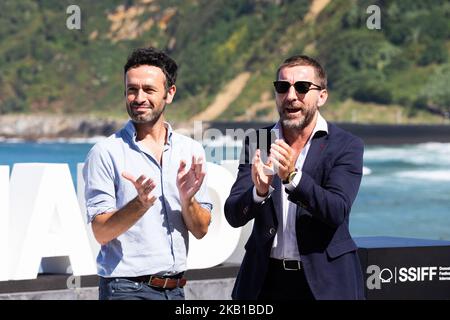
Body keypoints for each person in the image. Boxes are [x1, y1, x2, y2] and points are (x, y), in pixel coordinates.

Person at [224, 55, 365, 300]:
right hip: (265, 282)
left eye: (301, 87)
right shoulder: (259, 140)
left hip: (325, 284)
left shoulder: (346, 145)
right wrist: (258, 193)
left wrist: (292, 177)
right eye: (282, 87)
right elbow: (234, 214)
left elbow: (336, 210)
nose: (291, 96)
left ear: (322, 96)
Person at [83, 47, 212, 300]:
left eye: (149, 90)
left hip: (176, 290)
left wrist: (188, 201)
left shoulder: (191, 150)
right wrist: (139, 204)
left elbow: (201, 230)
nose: (139, 97)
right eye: (132, 89)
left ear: (169, 93)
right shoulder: (105, 152)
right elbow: (101, 232)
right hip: (125, 290)